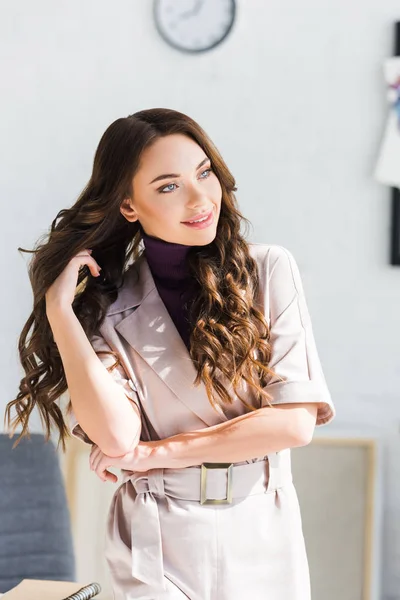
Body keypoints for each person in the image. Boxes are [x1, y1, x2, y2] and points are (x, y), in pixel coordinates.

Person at [5, 108, 335, 600]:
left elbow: (292, 426)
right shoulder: (107, 305)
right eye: (167, 186)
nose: (200, 198)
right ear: (129, 206)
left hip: (262, 527)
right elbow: (116, 437)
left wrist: (154, 453)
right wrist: (60, 312)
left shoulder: (268, 272)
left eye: (204, 173)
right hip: (154, 535)